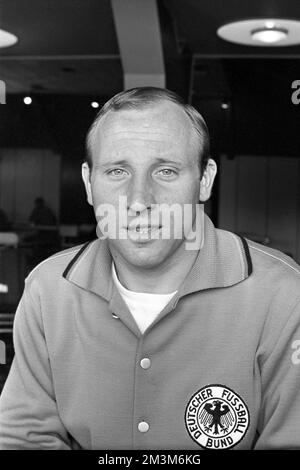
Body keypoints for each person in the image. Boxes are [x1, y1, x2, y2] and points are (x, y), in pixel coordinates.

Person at [0, 87, 300, 450]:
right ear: (88, 183)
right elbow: (24, 437)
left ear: (204, 180)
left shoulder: (284, 295)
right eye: (116, 171)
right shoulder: (47, 290)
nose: (139, 200)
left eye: (166, 171)